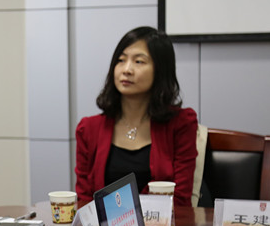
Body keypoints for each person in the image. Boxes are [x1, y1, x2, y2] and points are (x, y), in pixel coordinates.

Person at [75, 26, 197, 206]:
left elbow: (180, 197)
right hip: (103, 224)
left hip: (161, 223)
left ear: (160, 69)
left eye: (139, 61)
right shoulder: (88, 129)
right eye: (121, 60)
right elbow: (84, 199)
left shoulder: (181, 124)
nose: (127, 70)